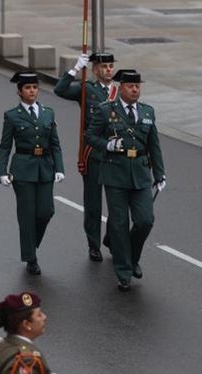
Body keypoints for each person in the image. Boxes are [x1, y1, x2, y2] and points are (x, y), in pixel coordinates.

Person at [85, 69, 167, 291]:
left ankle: (131, 257)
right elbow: (89, 136)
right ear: (121, 88)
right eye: (131, 86)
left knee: (145, 220)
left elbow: (154, 145)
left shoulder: (147, 112)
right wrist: (108, 145)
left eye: (138, 86)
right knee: (119, 224)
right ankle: (123, 272)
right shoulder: (106, 111)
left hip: (140, 173)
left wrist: (160, 174)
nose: (135, 90)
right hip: (115, 174)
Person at [0, 71, 65, 276]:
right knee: (27, 215)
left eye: (35, 87)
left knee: (46, 211)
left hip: (45, 167)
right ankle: (30, 258)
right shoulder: (12, 115)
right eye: (27, 88)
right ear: (20, 92)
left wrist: (60, 168)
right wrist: (2, 171)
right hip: (23, 169)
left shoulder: (48, 113)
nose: (32, 91)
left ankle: (30, 243)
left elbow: (55, 144)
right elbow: (5, 146)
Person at [54, 52, 117, 262]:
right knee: (93, 203)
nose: (108, 69)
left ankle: (111, 237)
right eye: (104, 66)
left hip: (116, 154)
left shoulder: (119, 91)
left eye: (110, 66)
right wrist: (74, 69)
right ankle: (93, 244)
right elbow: (60, 90)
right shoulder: (86, 89)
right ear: (95, 70)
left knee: (117, 201)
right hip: (94, 152)